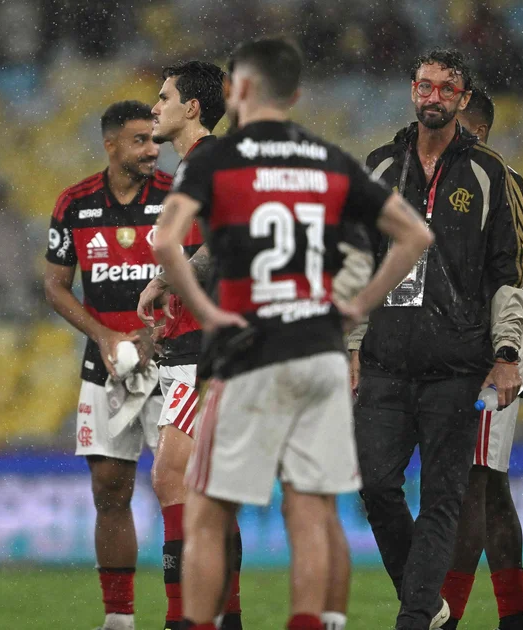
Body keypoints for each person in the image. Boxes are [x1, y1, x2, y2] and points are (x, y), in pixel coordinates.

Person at [153, 37, 433, 630]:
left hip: (247, 352)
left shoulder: (216, 159)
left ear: (237, 91)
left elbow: (165, 243)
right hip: (317, 353)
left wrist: (205, 309)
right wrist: (356, 307)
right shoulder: (326, 159)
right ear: (295, 94)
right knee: (311, 513)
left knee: (205, 512)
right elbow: (415, 236)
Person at [350, 48, 523, 629]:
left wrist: (505, 351)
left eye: (446, 88)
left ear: (463, 99)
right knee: (375, 485)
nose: (433, 96)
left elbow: (513, 269)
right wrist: (351, 346)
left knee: (447, 498)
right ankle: (432, 604)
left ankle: (416, 619)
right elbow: (357, 262)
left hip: (459, 366)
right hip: (385, 361)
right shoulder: (380, 167)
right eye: (425, 85)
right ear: (413, 89)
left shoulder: (490, 174)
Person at [44, 100, 184, 630]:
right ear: (110, 145)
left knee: (177, 488)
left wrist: (153, 334)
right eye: (140, 140)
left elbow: (199, 273)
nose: (152, 149)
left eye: (155, 140)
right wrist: (104, 335)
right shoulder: (74, 203)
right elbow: (55, 286)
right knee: (109, 489)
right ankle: (119, 617)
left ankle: (185, 611)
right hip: (105, 364)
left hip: (171, 361)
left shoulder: (176, 196)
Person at [133, 61, 244, 630]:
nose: (155, 108)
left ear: (193, 107)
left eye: (165, 96)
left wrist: (166, 280)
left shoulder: (208, 161)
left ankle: (186, 620)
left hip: (211, 350)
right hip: (190, 344)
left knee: (172, 477)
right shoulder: (192, 167)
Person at [440, 90, 523, 630]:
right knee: (490, 483)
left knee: (472, 480)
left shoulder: (501, 179)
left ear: (477, 130)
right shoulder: (442, 181)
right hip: (456, 348)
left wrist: (490, 311)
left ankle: (445, 615)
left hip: (489, 352)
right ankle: (516, 617)